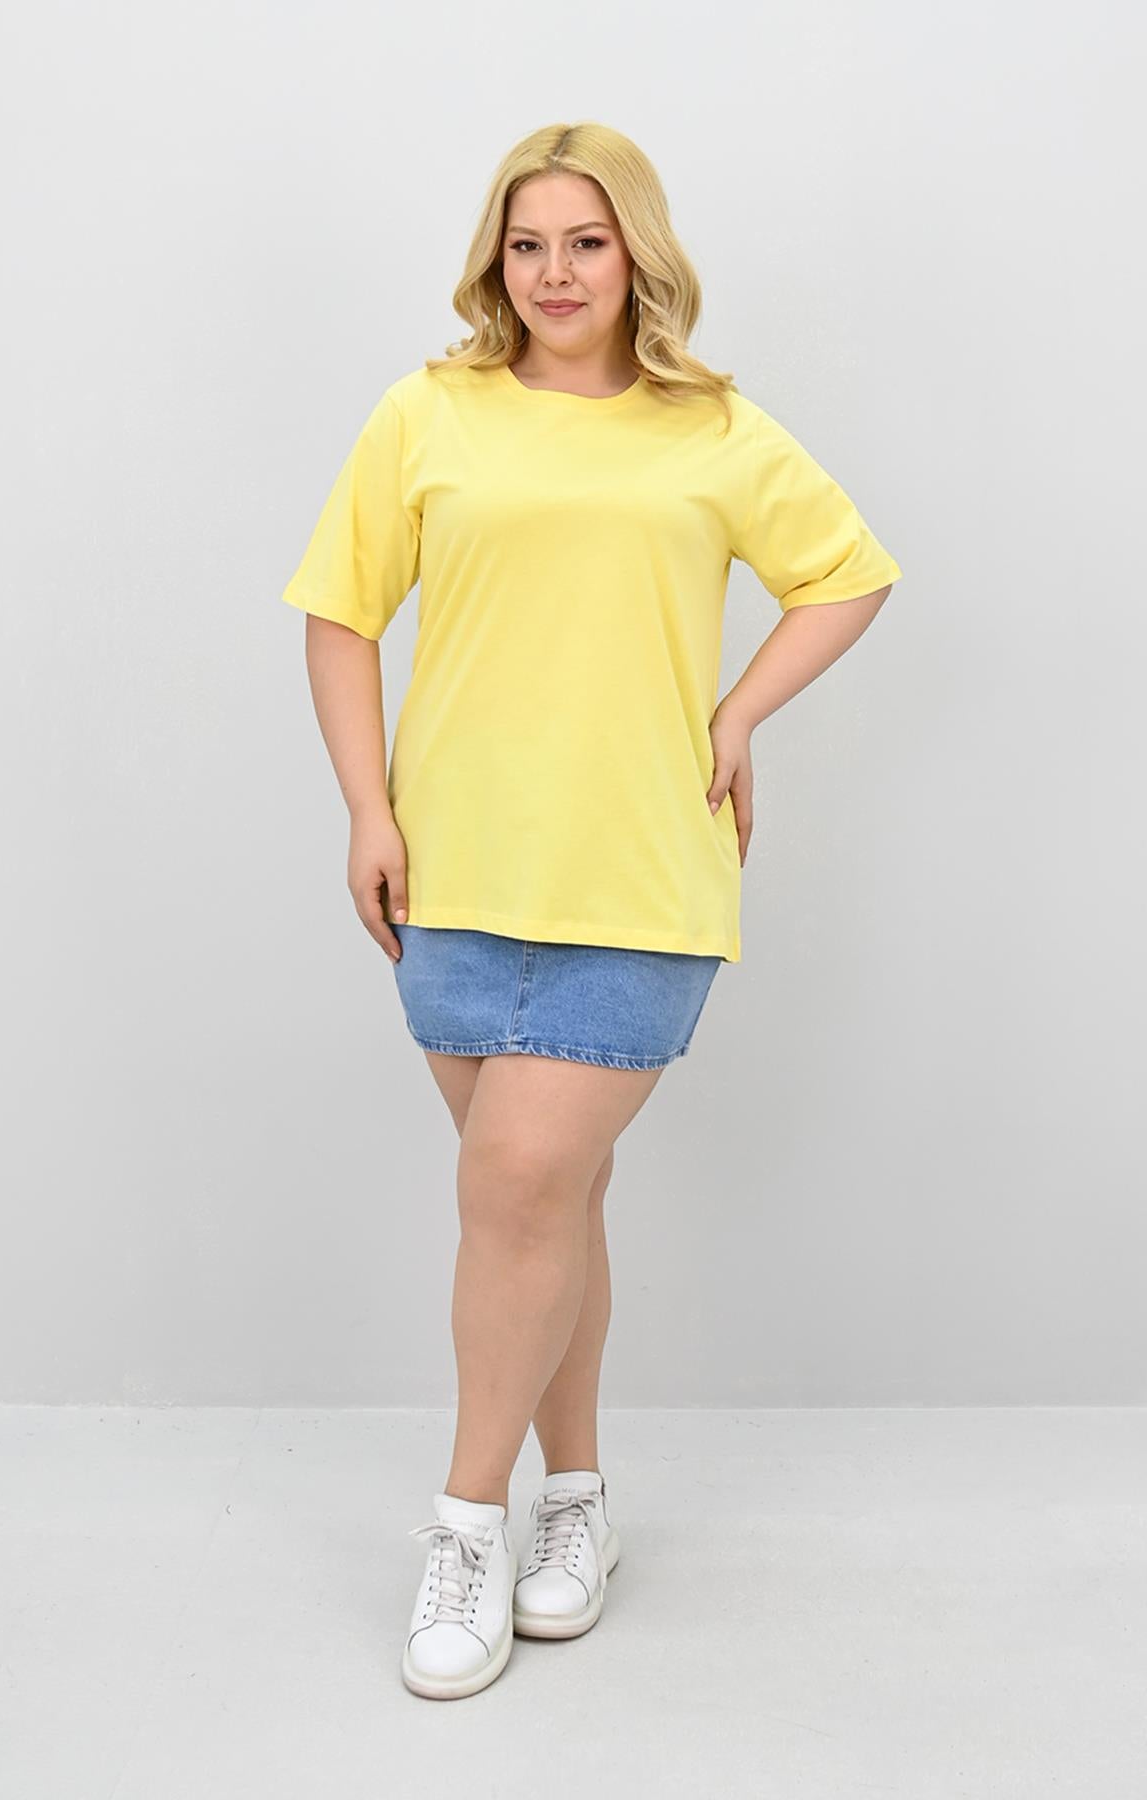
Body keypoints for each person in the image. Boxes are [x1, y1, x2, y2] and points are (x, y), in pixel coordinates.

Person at [280, 121, 903, 1702]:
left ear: (640, 254)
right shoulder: (429, 413)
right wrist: (367, 808)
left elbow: (846, 574)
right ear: (496, 260)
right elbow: (341, 615)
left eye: (588, 242)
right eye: (528, 244)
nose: (555, 272)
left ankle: (464, 1528)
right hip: (455, 874)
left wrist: (738, 711)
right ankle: (580, 1503)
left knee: (517, 1185)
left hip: (639, 874)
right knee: (546, 1209)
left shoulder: (712, 429)